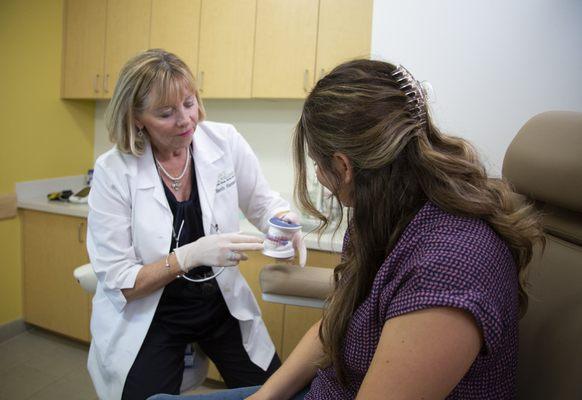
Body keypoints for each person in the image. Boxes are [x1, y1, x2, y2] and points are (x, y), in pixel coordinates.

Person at [149, 59, 545, 400]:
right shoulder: (383, 213)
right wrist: (264, 395)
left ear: (343, 167)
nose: (319, 177)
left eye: (318, 165)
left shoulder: (448, 269)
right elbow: (333, 325)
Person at [87, 49, 301, 400]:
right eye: (166, 112)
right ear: (137, 117)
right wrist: (189, 256)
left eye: (189, 102)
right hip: (152, 314)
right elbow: (123, 283)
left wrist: (283, 220)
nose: (186, 119)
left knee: (276, 391)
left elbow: (262, 202)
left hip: (218, 301)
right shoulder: (115, 171)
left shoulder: (223, 141)